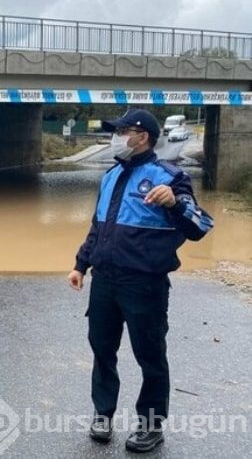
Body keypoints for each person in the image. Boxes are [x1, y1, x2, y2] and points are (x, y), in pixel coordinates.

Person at [67, 108, 213, 453]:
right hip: (105, 282)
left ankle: (151, 426)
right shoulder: (111, 175)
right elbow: (98, 226)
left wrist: (175, 202)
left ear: (142, 135)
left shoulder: (169, 177)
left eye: (122, 131)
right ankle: (102, 413)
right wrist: (80, 264)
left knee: (150, 356)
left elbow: (200, 226)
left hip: (144, 286)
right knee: (102, 350)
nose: (117, 137)